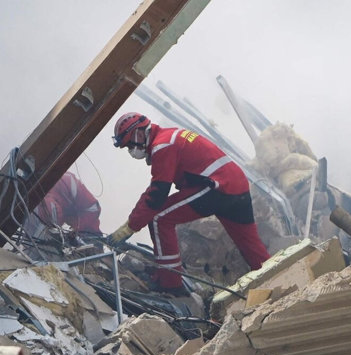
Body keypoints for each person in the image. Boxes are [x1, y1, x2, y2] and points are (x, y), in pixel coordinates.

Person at [107, 111, 270, 291]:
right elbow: (159, 188)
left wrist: (130, 227)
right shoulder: (170, 135)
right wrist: (131, 223)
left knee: (159, 219)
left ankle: (170, 284)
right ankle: (277, 278)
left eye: (130, 144)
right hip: (236, 185)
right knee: (251, 245)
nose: (131, 150)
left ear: (138, 133)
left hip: (216, 188)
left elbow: (156, 195)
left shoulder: (162, 146)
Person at [23, 171, 102, 242]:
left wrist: (77, 229)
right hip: (72, 236)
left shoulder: (68, 182)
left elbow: (94, 208)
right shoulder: (28, 202)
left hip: (90, 235)